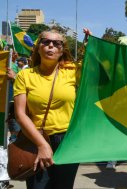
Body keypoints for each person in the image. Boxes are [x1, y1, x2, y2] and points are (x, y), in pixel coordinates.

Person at [13, 28, 91, 189]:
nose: (51, 46)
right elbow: (20, 114)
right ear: (38, 47)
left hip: (68, 142)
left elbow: (98, 68)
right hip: (36, 139)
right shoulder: (25, 76)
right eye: (46, 42)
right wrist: (42, 145)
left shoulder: (73, 71)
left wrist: (90, 45)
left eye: (57, 43)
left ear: (62, 50)